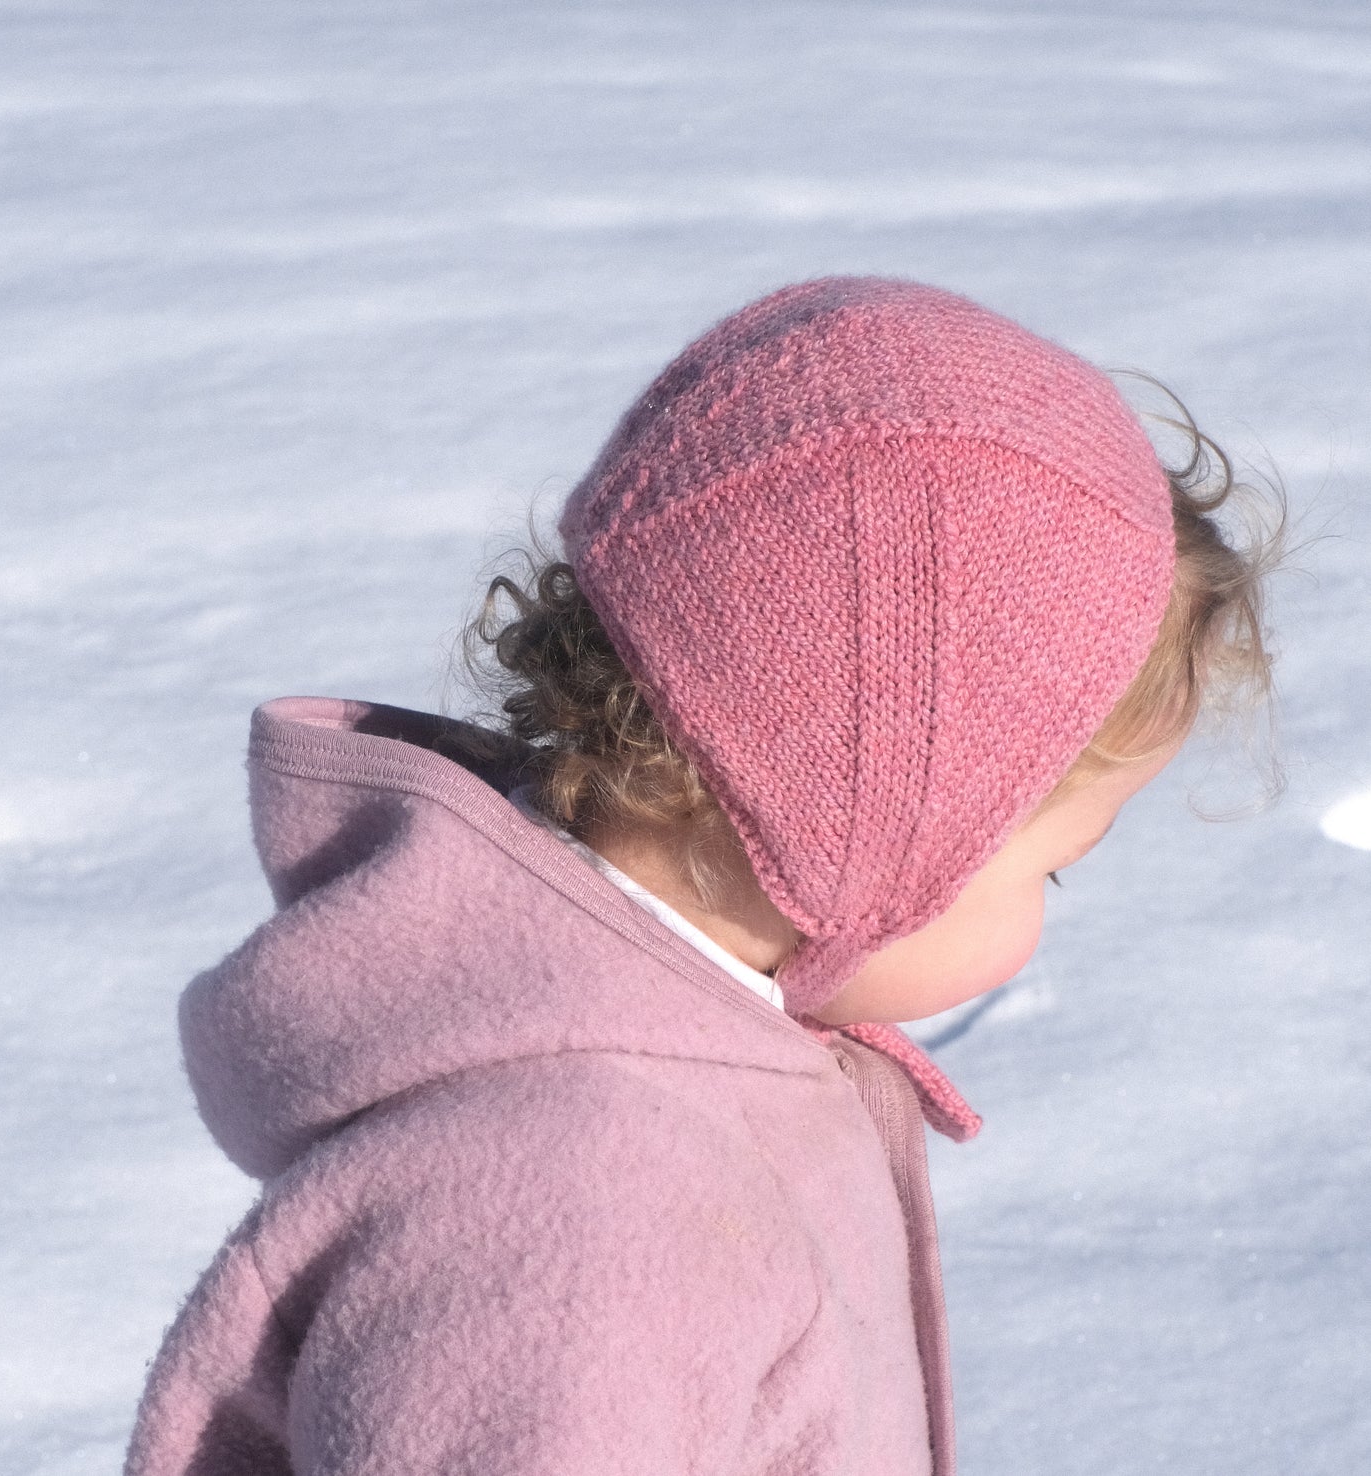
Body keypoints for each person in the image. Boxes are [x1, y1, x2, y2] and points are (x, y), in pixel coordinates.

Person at [124, 277, 1284, 1475]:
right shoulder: (585, 1208)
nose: (1046, 913)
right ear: (877, 823)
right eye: (1050, 873)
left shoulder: (695, 1056)